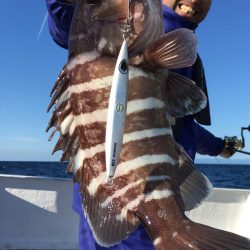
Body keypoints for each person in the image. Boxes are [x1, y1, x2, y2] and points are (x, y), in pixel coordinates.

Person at [45, 0, 235, 249]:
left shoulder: (173, 42)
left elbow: (181, 125)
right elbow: (64, 22)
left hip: (138, 195)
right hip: (128, 200)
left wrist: (219, 146)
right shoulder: (152, 32)